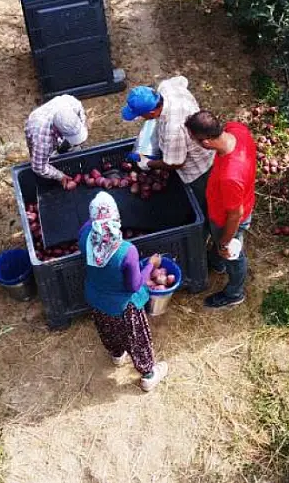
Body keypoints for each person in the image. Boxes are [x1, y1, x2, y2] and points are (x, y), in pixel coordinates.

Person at [81, 192, 169, 391]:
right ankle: (149, 375)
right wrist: (150, 265)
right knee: (137, 339)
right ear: (116, 217)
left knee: (107, 330)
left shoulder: (84, 235)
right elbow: (134, 285)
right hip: (122, 308)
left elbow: (90, 227)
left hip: (96, 298)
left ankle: (117, 355)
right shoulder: (126, 251)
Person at [185, 111, 256, 309]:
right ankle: (218, 263)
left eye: (194, 138)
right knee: (220, 247)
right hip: (230, 204)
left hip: (226, 220)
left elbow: (236, 214)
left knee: (234, 255)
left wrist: (225, 241)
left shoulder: (230, 176)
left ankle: (235, 293)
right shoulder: (236, 129)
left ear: (206, 142)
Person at [120, 76, 215, 217]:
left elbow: (176, 163)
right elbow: (183, 80)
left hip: (197, 166)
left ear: (152, 112)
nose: (140, 118)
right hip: (189, 140)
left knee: (203, 199)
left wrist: (147, 163)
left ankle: (207, 220)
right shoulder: (166, 88)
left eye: (140, 115)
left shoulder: (173, 129)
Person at [24, 95, 89, 188]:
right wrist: (60, 176)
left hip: (53, 122)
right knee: (43, 159)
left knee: (71, 146)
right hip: (37, 126)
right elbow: (39, 167)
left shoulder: (73, 104)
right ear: (57, 130)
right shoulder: (42, 140)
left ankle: (65, 149)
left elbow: (82, 118)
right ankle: (52, 158)